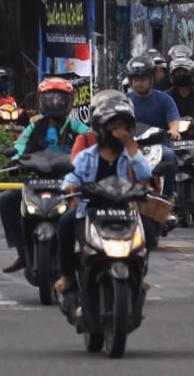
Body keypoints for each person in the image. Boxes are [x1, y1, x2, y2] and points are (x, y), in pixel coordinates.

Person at [55, 91, 152, 297]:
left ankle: (138, 278)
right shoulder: (86, 156)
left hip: (124, 211)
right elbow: (73, 176)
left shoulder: (131, 153)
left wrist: (130, 146)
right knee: (64, 225)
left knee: (149, 230)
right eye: (113, 126)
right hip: (90, 211)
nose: (119, 131)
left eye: (123, 126)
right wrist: (70, 186)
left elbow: (146, 173)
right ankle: (67, 275)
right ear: (101, 127)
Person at [0, 76, 89, 272]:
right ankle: (21, 251)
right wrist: (16, 158)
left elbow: (93, 141)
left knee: (87, 208)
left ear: (69, 102)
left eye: (61, 99)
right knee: (6, 199)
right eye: (50, 98)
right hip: (37, 181)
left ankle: (87, 253)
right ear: (41, 101)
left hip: (67, 183)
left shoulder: (76, 127)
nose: (55, 103)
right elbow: (21, 145)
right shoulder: (34, 127)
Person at [124, 54, 180, 197]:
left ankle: (167, 197)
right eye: (136, 80)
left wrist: (174, 130)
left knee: (171, 157)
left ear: (151, 79)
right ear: (130, 81)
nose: (139, 83)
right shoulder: (124, 101)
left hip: (159, 144)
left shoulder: (164, 99)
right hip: (131, 145)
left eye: (143, 79)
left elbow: (173, 121)